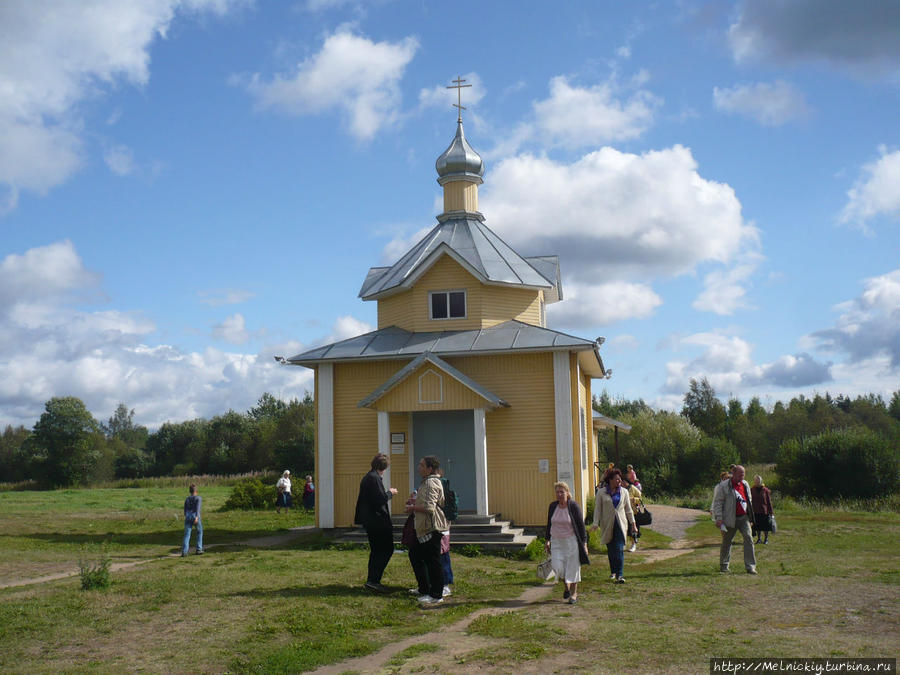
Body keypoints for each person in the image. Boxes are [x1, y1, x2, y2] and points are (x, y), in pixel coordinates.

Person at [406, 455, 448, 606]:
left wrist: (413, 507)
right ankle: (424, 588)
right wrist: (414, 502)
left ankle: (436, 594)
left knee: (433, 561)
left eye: (422, 465)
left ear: (430, 469)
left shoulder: (431, 483)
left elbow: (429, 508)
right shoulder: (425, 482)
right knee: (415, 555)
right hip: (423, 527)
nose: (419, 468)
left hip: (431, 527)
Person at [354, 453, 398, 592]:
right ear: (385, 467)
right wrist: (390, 492)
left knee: (377, 551)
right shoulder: (373, 479)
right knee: (385, 549)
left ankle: (372, 580)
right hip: (377, 521)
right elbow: (380, 499)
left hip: (371, 521)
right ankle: (374, 580)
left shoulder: (370, 477)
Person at [544, 481, 588, 604]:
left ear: (567, 493)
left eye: (561, 492)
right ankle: (566, 586)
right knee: (558, 567)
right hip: (556, 541)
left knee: (573, 568)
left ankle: (573, 594)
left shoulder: (573, 506)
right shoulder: (553, 506)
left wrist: (584, 544)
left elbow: (581, 526)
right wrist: (547, 540)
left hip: (571, 541)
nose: (559, 494)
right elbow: (549, 524)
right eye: (557, 492)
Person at [591, 468, 636, 583]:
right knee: (611, 549)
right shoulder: (601, 492)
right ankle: (613, 571)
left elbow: (628, 510)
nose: (619, 481)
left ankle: (619, 575)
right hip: (607, 524)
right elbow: (597, 509)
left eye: (620, 479)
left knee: (619, 548)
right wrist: (595, 523)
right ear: (610, 480)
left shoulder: (624, 492)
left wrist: (633, 524)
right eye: (616, 479)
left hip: (620, 524)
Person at [712, 464, 757, 574]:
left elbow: (748, 500)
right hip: (729, 518)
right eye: (740, 474)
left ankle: (750, 567)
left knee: (749, 539)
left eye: (744, 474)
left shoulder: (745, 484)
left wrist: (750, 518)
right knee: (727, 541)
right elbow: (718, 503)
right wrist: (719, 518)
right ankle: (724, 566)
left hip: (744, 518)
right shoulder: (724, 486)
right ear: (734, 473)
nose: (742, 476)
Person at [751, 475, 774, 545]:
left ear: (761, 481)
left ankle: (766, 539)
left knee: (765, 526)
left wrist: (771, 512)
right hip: (755, 510)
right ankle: (759, 539)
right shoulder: (752, 489)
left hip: (764, 510)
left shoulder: (765, 490)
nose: (757, 482)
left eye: (758, 480)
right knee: (757, 526)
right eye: (755, 480)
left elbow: (769, 501)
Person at [622, 476, 643, 553]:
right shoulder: (621, 489)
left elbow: (640, 498)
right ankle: (623, 544)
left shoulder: (632, 488)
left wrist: (634, 499)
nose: (622, 483)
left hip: (633, 512)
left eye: (624, 481)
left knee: (632, 529)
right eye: (622, 482)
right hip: (623, 512)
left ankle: (633, 544)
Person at [182, 483, 203, 556]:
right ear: (196, 491)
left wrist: (186, 515)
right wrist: (197, 517)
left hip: (188, 516)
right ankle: (199, 549)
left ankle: (184, 551)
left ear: (190, 491)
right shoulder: (198, 498)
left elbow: (185, 509)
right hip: (195, 515)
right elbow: (198, 508)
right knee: (199, 532)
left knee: (187, 534)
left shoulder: (187, 499)